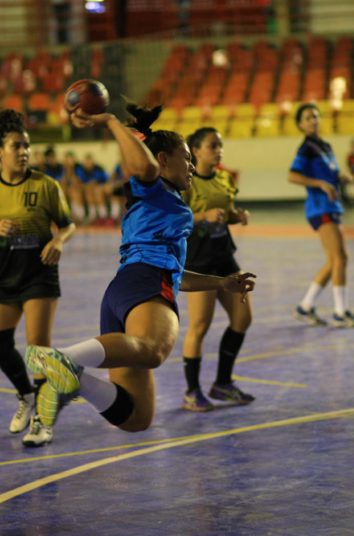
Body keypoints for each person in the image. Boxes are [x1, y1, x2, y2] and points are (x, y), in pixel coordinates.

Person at [23, 102, 256, 434]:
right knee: (155, 349)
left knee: (137, 416)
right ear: (163, 160)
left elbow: (177, 275)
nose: (191, 165)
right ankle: (63, 358)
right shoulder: (153, 186)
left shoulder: (166, 201)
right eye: (187, 157)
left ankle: (74, 380)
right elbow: (143, 167)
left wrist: (222, 283)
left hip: (125, 291)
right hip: (146, 284)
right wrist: (109, 121)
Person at [0, 109, 75, 447]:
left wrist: (58, 239)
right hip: (4, 277)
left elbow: (68, 223)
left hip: (39, 274)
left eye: (27, 146)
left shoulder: (46, 185)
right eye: (17, 146)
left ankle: (43, 423)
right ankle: (26, 395)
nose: (24, 151)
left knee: (37, 351)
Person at [180, 126, 254, 412]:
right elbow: (178, 220)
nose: (218, 150)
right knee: (200, 326)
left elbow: (225, 215)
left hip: (225, 257)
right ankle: (191, 391)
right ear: (196, 150)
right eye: (212, 145)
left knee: (242, 317)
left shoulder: (224, 178)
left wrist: (237, 216)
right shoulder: (186, 182)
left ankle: (222, 383)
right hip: (199, 261)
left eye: (220, 145)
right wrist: (202, 216)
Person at [289, 103, 354, 328]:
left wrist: (344, 178)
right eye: (307, 118)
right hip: (320, 208)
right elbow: (293, 175)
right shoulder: (306, 148)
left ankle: (304, 307)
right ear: (301, 125)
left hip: (332, 207)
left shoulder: (325, 146)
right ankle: (340, 313)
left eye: (315, 116)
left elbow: (330, 175)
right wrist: (320, 184)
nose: (313, 120)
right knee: (340, 258)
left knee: (334, 261)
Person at [75, 153, 111, 224]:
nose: (88, 163)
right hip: (87, 190)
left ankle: (103, 216)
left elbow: (106, 181)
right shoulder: (80, 170)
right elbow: (79, 182)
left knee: (97, 191)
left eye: (90, 161)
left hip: (99, 189)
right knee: (81, 192)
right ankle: (88, 216)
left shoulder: (99, 169)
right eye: (86, 162)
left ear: (93, 162)